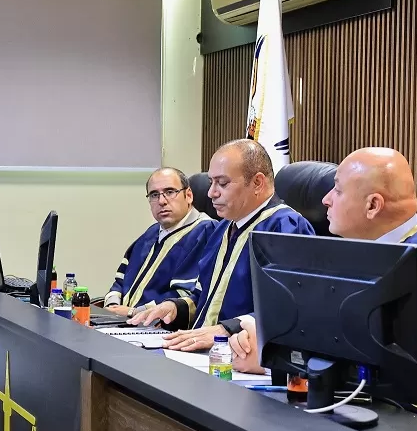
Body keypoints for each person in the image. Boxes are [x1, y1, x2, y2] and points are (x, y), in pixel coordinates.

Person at [229, 147, 417, 430]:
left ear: (373, 206)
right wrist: (271, 348)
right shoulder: (363, 254)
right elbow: (329, 342)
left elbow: (400, 380)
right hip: (382, 423)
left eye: (337, 190)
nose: (326, 200)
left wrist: (278, 366)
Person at [129, 139, 314, 350]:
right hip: (198, 349)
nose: (211, 193)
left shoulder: (286, 227)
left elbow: (291, 310)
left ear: (257, 183)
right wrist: (175, 307)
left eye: (222, 183)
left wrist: (227, 329)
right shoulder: (222, 228)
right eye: (211, 183)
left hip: (242, 356)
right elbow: (204, 296)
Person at [103, 167, 217, 316]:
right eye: (154, 195)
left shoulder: (207, 232)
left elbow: (188, 296)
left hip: (159, 326)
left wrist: (134, 312)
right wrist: (112, 306)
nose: (162, 201)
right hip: (119, 321)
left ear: (188, 195)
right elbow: (120, 280)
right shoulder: (151, 233)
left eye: (170, 192)